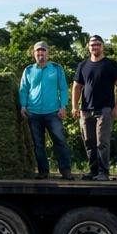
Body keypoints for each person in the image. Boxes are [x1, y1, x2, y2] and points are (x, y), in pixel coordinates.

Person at [71, 34, 117, 180]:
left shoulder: (111, 64)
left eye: (98, 44)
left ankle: (103, 172)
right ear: (88, 47)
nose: (95, 47)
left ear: (102, 46)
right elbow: (77, 86)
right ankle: (93, 171)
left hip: (105, 109)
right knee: (89, 141)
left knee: (102, 142)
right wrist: (74, 107)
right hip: (86, 109)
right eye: (92, 44)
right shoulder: (83, 65)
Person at [19, 41, 71, 179]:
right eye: (38, 51)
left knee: (60, 141)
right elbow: (23, 90)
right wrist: (23, 106)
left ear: (48, 53)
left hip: (53, 112)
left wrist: (63, 106)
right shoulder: (29, 70)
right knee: (38, 144)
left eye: (43, 51)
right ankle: (43, 171)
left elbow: (63, 89)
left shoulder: (56, 68)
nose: (40, 54)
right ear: (34, 53)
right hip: (34, 113)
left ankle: (65, 171)